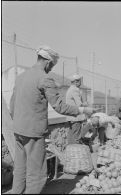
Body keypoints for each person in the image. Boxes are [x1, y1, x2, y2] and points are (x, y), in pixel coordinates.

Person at [9, 46, 96, 194]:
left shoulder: (21, 77)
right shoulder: (45, 78)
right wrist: (82, 110)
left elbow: (12, 106)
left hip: (18, 130)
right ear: (48, 62)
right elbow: (59, 106)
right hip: (33, 133)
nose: (51, 68)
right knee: (36, 175)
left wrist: (20, 122)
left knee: (20, 170)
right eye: (52, 65)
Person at [65, 74, 88, 144]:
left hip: (71, 117)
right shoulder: (75, 90)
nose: (81, 83)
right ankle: (76, 153)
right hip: (76, 118)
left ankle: (71, 151)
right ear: (76, 82)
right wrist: (86, 103)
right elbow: (80, 104)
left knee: (71, 136)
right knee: (76, 137)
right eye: (80, 81)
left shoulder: (70, 89)